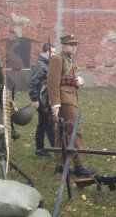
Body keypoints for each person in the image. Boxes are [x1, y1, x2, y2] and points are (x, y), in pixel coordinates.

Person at [47, 34, 97, 176]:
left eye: (75, 44)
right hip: (63, 101)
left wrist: (76, 81)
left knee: (60, 132)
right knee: (75, 130)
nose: (74, 47)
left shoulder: (67, 59)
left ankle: (60, 165)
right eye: (71, 45)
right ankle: (79, 165)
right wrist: (55, 105)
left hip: (67, 98)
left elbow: (64, 80)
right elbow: (52, 83)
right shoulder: (57, 59)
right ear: (63, 46)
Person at [27, 43, 56, 158]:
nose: (53, 54)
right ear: (44, 52)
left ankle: (39, 150)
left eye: (54, 52)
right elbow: (31, 83)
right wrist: (35, 99)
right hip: (41, 100)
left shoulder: (48, 63)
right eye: (51, 52)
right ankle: (58, 152)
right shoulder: (40, 64)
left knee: (42, 124)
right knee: (50, 124)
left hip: (46, 99)